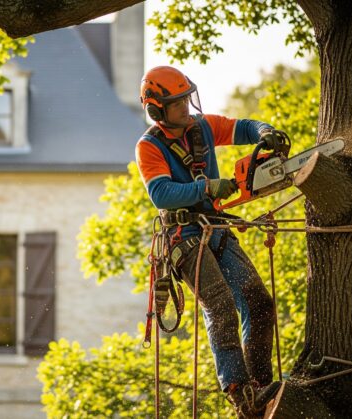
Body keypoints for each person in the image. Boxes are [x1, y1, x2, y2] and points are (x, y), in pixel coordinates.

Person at [136, 66, 284, 418]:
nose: (186, 106)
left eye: (187, 98)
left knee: (258, 301)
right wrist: (206, 187)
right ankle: (238, 391)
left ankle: (260, 386)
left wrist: (264, 131)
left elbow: (240, 127)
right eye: (177, 102)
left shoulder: (201, 127)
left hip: (215, 228)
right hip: (183, 237)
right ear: (157, 110)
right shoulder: (149, 147)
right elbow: (162, 193)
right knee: (219, 304)